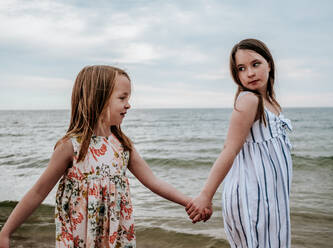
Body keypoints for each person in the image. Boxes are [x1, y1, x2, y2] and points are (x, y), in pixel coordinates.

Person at [0, 65, 197, 248]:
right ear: (98, 99)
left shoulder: (123, 146)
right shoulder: (71, 147)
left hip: (116, 236)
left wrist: (189, 202)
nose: (128, 105)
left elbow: (153, 181)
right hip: (79, 237)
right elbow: (38, 192)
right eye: (122, 98)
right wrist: (6, 232)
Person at [186, 39, 293, 247]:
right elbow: (230, 150)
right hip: (253, 198)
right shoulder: (248, 101)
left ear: (269, 64)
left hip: (272, 198)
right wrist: (206, 195)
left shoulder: (271, 103)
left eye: (255, 64)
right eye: (241, 69)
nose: (250, 73)